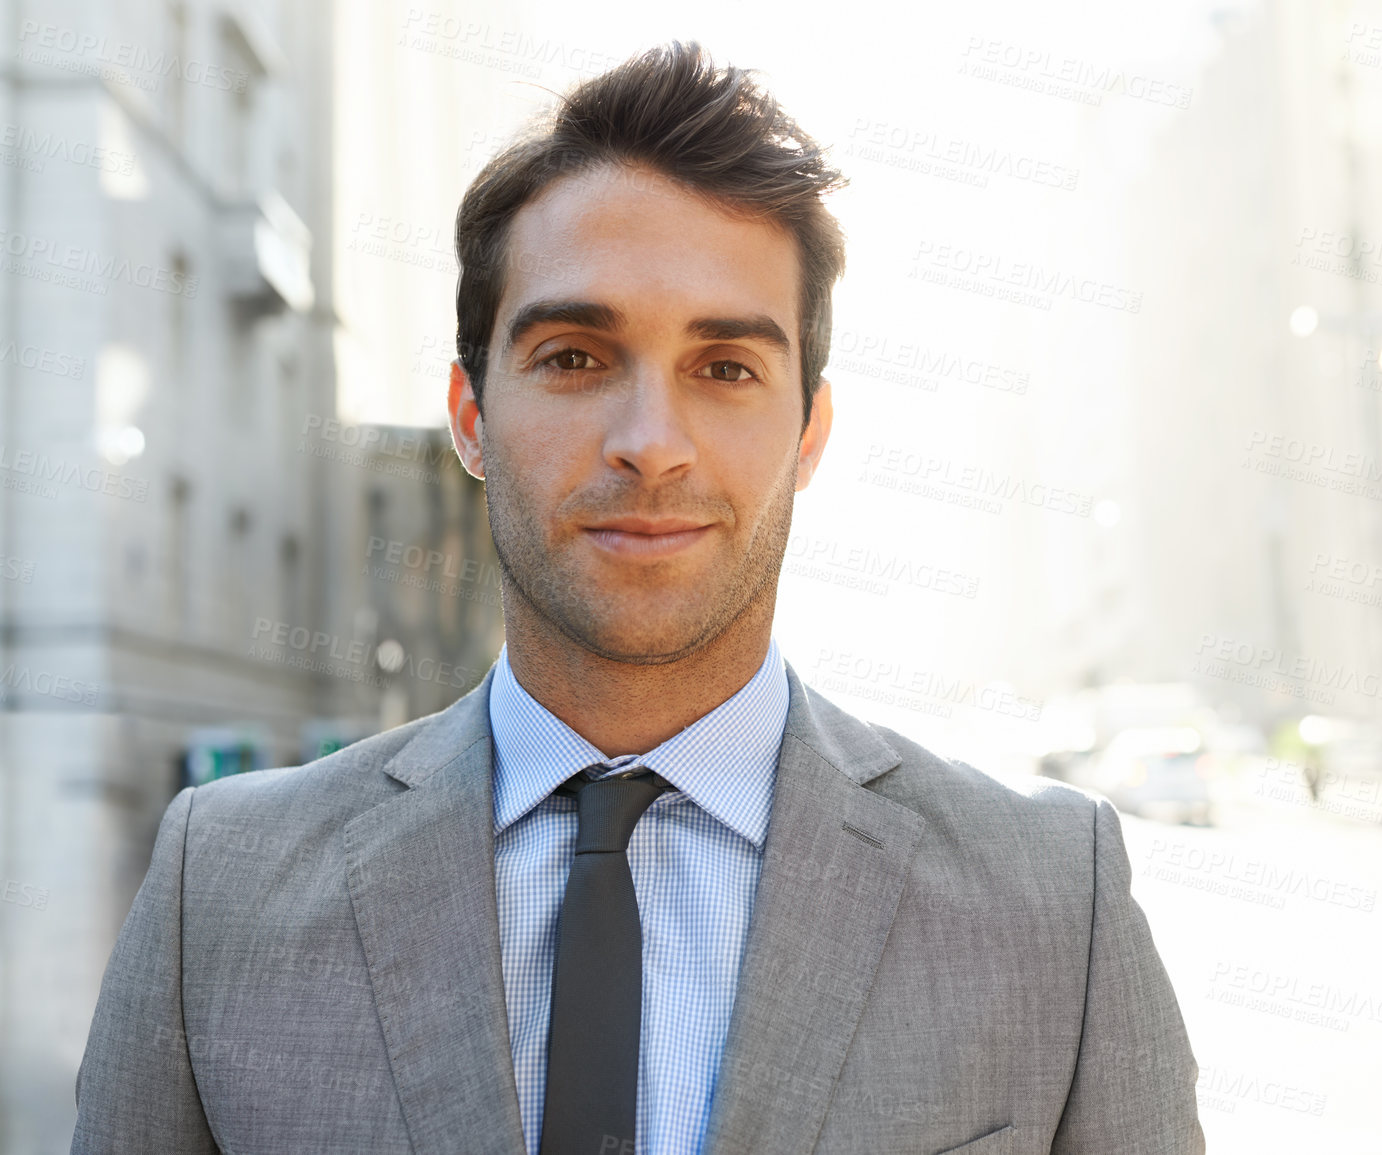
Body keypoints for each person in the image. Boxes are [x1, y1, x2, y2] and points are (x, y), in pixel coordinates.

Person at [71, 42, 1203, 1155]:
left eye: (725, 369)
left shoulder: (1055, 902)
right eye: (572, 357)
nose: (651, 446)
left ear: (807, 433)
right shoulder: (217, 891)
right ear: (471, 416)